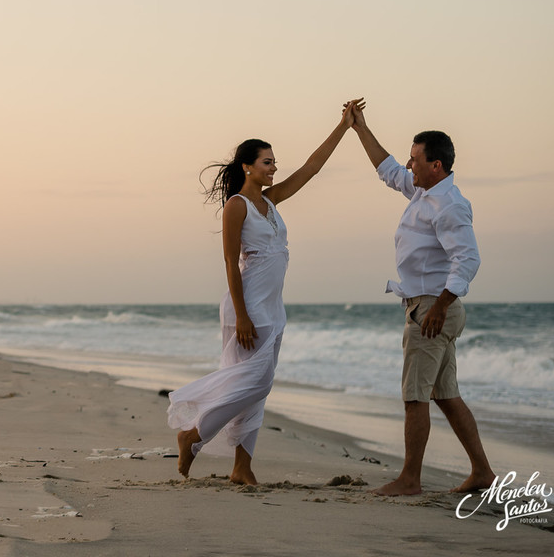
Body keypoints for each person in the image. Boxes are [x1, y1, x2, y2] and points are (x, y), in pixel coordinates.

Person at [167, 103, 358, 484]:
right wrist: (241, 315)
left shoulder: (271, 202)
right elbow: (228, 263)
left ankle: (242, 467)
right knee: (256, 381)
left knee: (256, 391)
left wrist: (343, 127)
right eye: (267, 162)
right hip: (248, 307)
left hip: (273, 307)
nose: (274, 168)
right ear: (247, 167)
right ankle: (192, 435)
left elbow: (312, 168)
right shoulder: (236, 206)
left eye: (274, 162)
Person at [346, 102, 496, 496]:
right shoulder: (423, 191)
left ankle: (409, 479)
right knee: (445, 395)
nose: (409, 166)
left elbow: (468, 259)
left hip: (433, 308)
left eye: (416, 160)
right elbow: (388, 169)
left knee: (415, 396)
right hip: (430, 306)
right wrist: (361, 128)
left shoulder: (448, 204)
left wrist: (441, 307)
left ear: (437, 166)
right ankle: (482, 472)